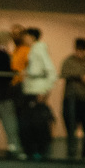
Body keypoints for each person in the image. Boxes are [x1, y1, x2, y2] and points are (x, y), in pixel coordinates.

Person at [18, 29, 57, 160]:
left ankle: (38, 151)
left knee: (34, 124)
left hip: (35, 92)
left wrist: (44, 91)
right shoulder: (33, 50)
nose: (24, 39)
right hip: (32, 91)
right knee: (30, 124)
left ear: (32, 37)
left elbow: (51, 71)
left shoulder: (39, 50)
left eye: (26, 36)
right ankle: (35, 151)